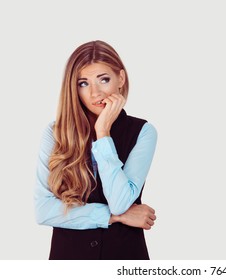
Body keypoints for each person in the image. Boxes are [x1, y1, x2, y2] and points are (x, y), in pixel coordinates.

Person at [34, 40, 157, 260]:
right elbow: (44, 211)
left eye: (104, 80)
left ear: (121, 79)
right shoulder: (55, 132)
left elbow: (120, 202)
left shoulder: (143, 132)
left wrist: (103, 133)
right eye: (83, 83)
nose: (95, 93)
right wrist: (113, 217)